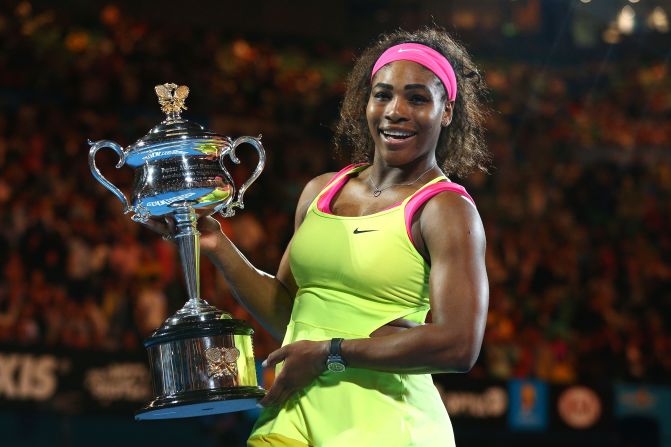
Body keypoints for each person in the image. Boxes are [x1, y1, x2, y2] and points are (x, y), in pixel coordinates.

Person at [153, 27, 489, 447]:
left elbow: (459, 345)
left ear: (447, 111)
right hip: (292, 412)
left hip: (386, 426)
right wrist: (217, 245)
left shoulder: (446, 210)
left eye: (417, 98)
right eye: (382, 94)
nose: (395, 111)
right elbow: (288, 314)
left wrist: (331, 354)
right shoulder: (320, 191)